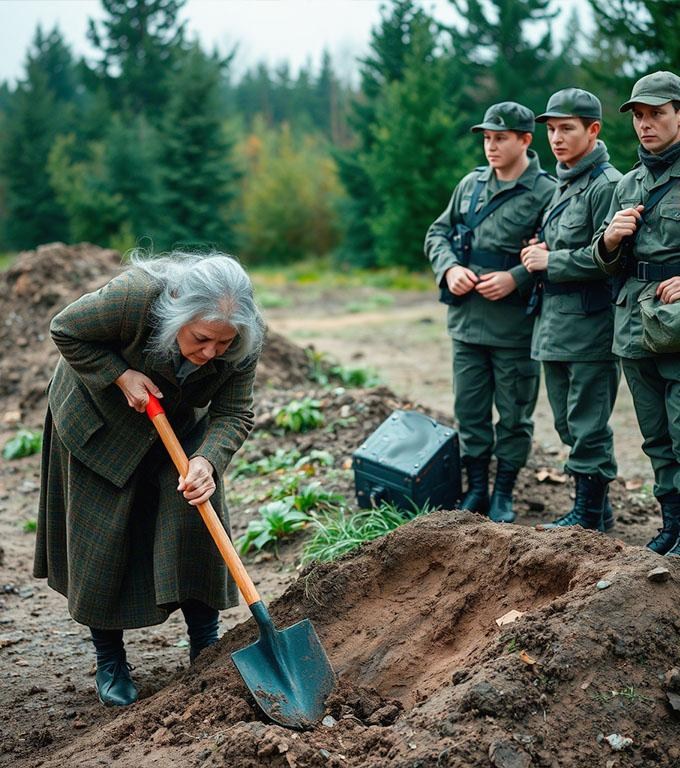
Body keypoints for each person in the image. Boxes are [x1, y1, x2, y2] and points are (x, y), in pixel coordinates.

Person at [33, 250, 265, 706]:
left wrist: (207, 461)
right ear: (177, 314)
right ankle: (110, 660)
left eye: (223, 343)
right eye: (201, 339)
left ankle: (206, 646)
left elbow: (235, 412)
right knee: (103, 540)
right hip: (99, 424)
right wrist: (120, 375)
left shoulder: (242, 339)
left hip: (176, 424)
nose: (210, 353)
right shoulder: (136, 298)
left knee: (195, 515)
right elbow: (65, 329)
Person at [425, 102, 556, 523]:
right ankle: (477, 488)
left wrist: (516, 277)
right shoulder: (471, 184)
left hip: (515, 326)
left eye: (501, 138)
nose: (491, 146)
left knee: (515, 415)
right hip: (467, 322)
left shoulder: (548, 192)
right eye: (486, 138)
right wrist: (450, 268)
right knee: (470, 411)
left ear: (525, 140)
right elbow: (438, 232)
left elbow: (558, 252)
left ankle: (504, 493)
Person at [520, 88, 622, 532]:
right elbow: (563, 243)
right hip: (556, 323)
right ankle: (600, 509)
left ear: (593, 130)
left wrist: (551, 260)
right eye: (551, 130)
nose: (556, 138)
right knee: (566, 423)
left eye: (567, 129)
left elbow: (611, 257)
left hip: (591, 323)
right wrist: (539, 250)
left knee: (587, 425)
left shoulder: (607, 185)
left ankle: (588, 517)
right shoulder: (566, 181)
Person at [592, 70, 680, 557]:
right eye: (639, 116)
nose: (645, 124)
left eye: (657, 114)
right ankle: (672, 524)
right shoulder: (628, 184)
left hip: (676, 321)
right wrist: (608, 240)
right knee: (656, 437)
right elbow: (606, 260)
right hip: (634, 324)